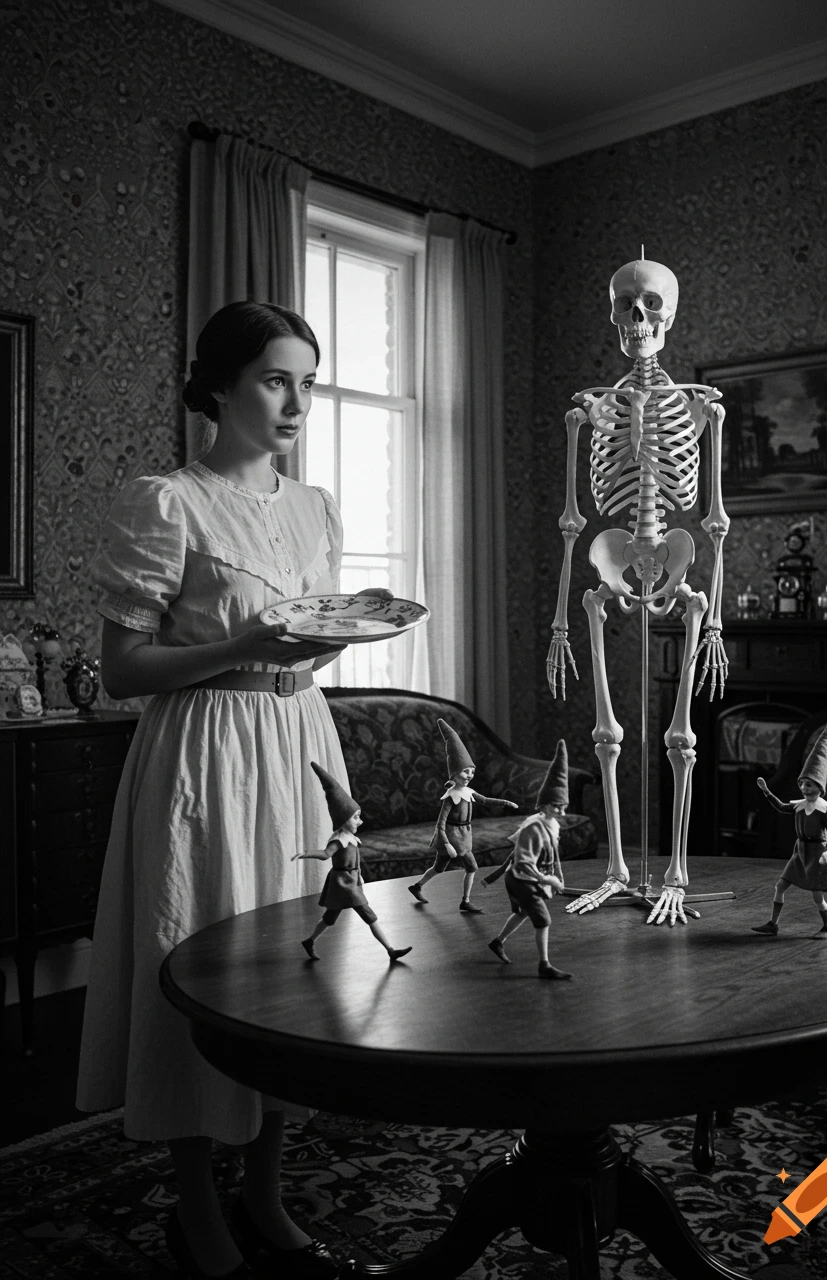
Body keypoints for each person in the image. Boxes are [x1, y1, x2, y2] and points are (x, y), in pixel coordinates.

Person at [76, 301, 349, 1279]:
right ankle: (197, 1209)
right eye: (278, 379)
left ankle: (268, 1192)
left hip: (297, 737)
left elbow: (313, 627)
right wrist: (241, 644)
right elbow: (121, 670)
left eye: (307, 382)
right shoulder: (168, 501)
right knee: (199, 958)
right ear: (222, 385)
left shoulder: (315, 508)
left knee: (299, 970)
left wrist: (322, 643)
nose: (296, 402)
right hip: (205, 749)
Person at [296, 761, 412, 962]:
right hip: (343, 884)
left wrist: (360, 879)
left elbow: (355, 863)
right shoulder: (339, 839)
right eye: (356, 817)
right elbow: (325, 854)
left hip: (351, 881)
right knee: (369, 915)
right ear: (343, 819)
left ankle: (310, 940)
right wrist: (306, 853)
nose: (360, 821)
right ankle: (390, 950)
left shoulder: (351, 838)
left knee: (330, 918)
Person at [407, 719, 518, 913]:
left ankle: (463, 899)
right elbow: (440, 825)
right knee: (441, 868)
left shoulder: (469, 792)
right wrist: (448, 844)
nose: (469, 775)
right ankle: (420, 887)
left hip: (465, 835)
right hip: (451, 835)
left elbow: (485, 800)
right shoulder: (450, 798)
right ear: (454, 774)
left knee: (470, 867)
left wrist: (505, 803)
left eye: (472, 771)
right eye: (465, 771)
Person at [483, 740, 572, 979]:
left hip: (530, 877)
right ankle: (544, 965)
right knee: (543, 921)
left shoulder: (552, 823)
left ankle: (498, 942)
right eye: (557, 807)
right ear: (543, 804)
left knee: (523, 913)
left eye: (564, 807)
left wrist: (558, 877)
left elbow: (553, 855)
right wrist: (549, 880)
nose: (562, 813)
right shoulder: (534, 828)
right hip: (521, 879)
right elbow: (523, 863)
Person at [751, 718, 827, 940]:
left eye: (809, 784)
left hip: (817, 853)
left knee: (817, 895)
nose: (804, 788)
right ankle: (773, 924)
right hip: (799, 851)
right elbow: (782, 807)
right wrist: (766, 792)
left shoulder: (823, 810)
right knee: (780, 885)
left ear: (819, 787)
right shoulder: (800, 806)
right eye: (802, 784)